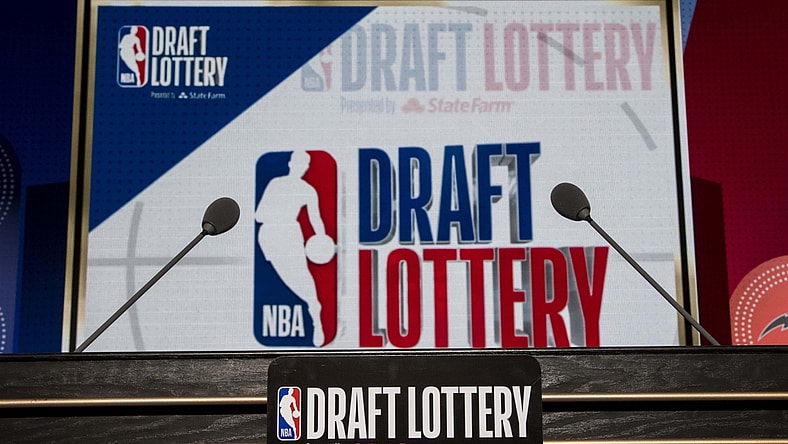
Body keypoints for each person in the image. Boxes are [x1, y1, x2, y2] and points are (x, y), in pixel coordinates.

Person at [256, 151, 326, 346]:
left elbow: (315, 219)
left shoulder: (308, 190)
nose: (301, 167)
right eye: (299, 163)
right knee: (287, 277)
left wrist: (321, 238)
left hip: (290, 233)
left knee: (301, 275)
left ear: (306, 167)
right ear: (291, 163)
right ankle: (313, 304)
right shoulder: (275, 183)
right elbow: (258, 214)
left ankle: (315, 310)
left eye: (305, 164)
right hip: (269, 234)